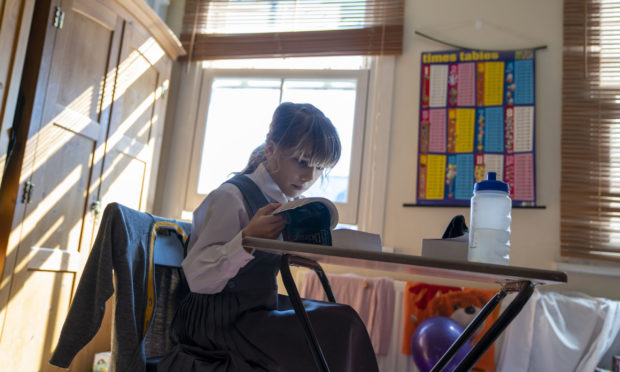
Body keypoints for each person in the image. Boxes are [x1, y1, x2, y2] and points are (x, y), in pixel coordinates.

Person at [158, 102, 379, 372]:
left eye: (319, 168)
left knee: (344, 319)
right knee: (335, 327)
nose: (310, 176)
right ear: (271, 149)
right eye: (302, 161)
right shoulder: (230, 197)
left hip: (255, 309)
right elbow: (197, 276)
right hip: (217, 320)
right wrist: (246, 240)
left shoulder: (284, 202)